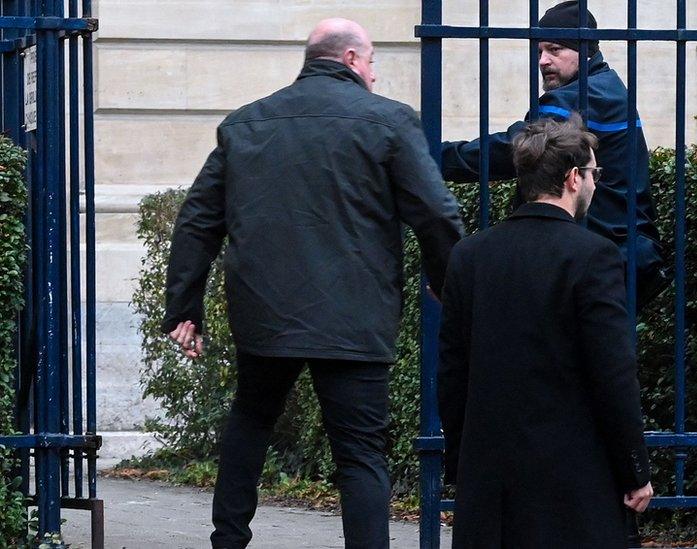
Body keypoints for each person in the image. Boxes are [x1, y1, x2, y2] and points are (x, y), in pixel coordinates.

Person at [162, 18, 464, 549]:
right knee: (361, 452)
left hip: (264, 313)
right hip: (356, 314)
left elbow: (196, 222)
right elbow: (437, 215)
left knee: (251, 423)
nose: (374, 73)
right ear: (351, 59)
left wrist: (184, 307)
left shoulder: (245, 124)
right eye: (372, 62)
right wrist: (446, 283)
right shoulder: (389, 122)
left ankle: (228, 541)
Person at [438, 116, 653, 547]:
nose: (595, 183)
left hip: (490, 482)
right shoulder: (594, 256)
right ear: (574, 178)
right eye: (594, 173)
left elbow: (451, 373)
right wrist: (635, 472)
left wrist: (463, 462)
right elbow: (612, 373)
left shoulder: (469, 255)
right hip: (572, 482)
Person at [441, 0, 667, 306]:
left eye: (555, 49)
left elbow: (513, 150)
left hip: (589, 257)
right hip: (623, 253)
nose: (544, 60)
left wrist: (436, 157)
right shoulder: (610, 87)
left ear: (585, 51)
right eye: (539, 51)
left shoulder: (573, 98)